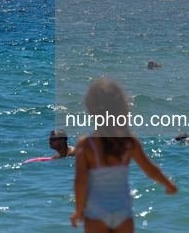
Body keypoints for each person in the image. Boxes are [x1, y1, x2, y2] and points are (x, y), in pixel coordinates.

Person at [70, 78, 177, 232]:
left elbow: (80, 181)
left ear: (89, 108)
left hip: (95, 213)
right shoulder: (128, 141)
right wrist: (168, 184)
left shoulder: (86, 144)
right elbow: (150, 169)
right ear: (121, 108)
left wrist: (78, 211)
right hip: (123, 214)